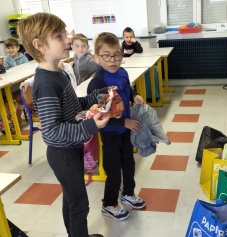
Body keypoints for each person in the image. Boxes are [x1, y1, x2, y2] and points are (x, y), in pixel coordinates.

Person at [17, 12, 109, 237]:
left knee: (71, 199)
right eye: (59, 36)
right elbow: (52, 131)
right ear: (40, 45)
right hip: (63, 154)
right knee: (79, 205)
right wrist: (90, 127)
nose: (67, 39)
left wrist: (97, 96)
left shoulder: (57, 73)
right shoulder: (46, 83)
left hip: (70, 149)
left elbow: (72, 104)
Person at [87, 32, 145, 221]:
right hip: (110, 132)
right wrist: (123, 122)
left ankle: (128, 193)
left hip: (125, 131)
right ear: (96, 57)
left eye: (117, 54)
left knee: (129, 164)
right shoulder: (97, 82)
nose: (113, 60)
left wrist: (133, 96)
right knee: (113, 170)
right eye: (106, 55)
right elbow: (99, 114)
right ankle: (109, 204)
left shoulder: (123, 72)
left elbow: (128, 89)